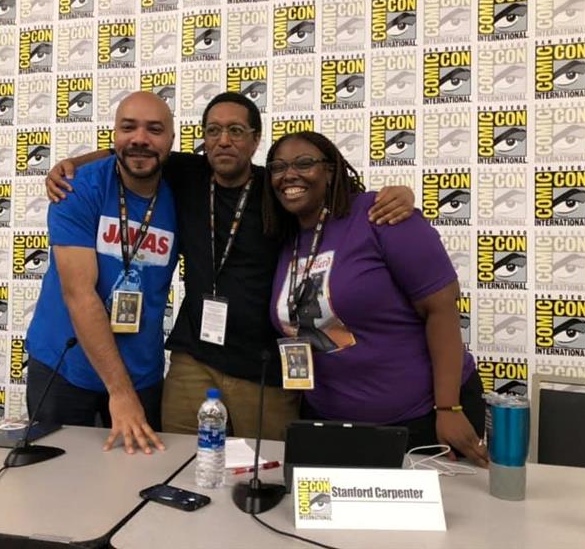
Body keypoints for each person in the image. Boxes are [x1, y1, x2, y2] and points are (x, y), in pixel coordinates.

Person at [46, 93, 415, 441]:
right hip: (193, 359)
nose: (224, 140)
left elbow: (331, 199)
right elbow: (132, 149)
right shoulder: (186, 174)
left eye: (236, 131)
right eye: (213, 131)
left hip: (264, 366)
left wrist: (399, 195)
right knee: (178, 467)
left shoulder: (279, 188)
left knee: (263, 474)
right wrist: (70, 165)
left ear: (255, 141)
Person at [263, 131, 488, 466]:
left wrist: (448, 407)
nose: (289, 175)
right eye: (278, 167)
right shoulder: (288, 239)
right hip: (334, 425)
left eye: (305, 163)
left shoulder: (379, 214)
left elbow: (441, 310)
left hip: (421, 418)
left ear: (331, 171)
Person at [25, 92, 178, 455]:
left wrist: (129, 389)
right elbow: (79, 294)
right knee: (56, 479)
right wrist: (120, 393)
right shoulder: (76, 189)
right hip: (65, 368)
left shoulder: (184, 189)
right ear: (114, 135)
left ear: (172, 140)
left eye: (154, 129)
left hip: (141, 371)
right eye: (128, 128)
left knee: (133, 487)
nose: (140, 138)